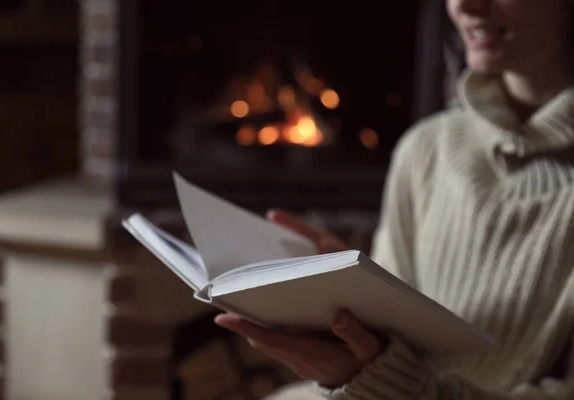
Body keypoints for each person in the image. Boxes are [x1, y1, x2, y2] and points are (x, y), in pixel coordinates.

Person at [215, 0, 574, 398]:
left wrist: (391, 381)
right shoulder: (427, 148)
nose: (464, 6)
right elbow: (398, 352)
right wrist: (356, 303)